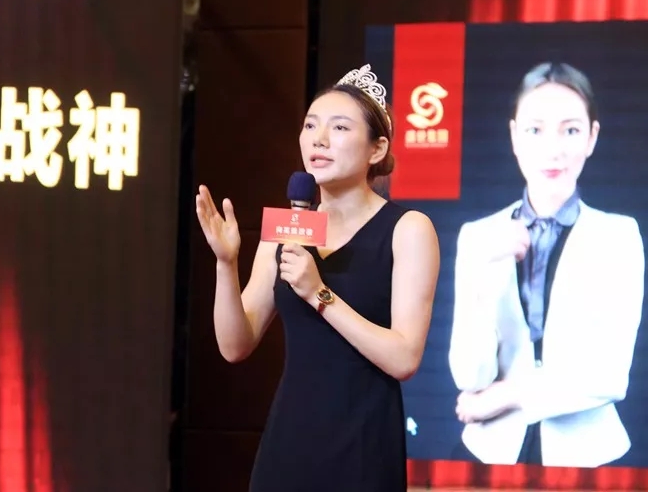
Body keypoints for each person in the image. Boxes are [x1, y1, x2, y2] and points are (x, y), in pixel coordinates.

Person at [195, 64, 440, 491]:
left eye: (339, 127)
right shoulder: (286, 228)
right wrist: (225, 264)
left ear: (377, 149)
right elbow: (235, 345)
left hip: (363, 442)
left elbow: (404, 358)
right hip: (289, 440)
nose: (318, 139)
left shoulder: (408, 229)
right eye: (310, 125)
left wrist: (319, 294)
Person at [449, 62, 645, 468]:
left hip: (591, 456)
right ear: (514, 136)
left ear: (592, 137)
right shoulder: (478, 237)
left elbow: (610, 376)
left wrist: (508, 394)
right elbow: (469, 377)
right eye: (535, 130)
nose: (553, 150)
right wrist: (483, 276)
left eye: (570, 130)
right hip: (488, 451)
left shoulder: (619, 236)